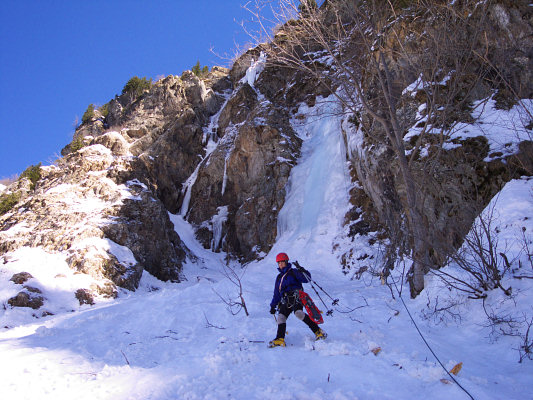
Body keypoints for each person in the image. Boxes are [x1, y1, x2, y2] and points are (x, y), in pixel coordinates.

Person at [268, 252, 327, 348]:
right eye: (279, 263)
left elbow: (307, 279)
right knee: (281, 317)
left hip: (297, 296)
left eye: (282, 262)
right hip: (286, 299)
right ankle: (280, 339)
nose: (280, 265)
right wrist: (272, 305)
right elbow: (276, 293)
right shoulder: (279, 278)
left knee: (299, 313)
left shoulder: (294, 272)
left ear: (286, 262)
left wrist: (302, 270)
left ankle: (318, 331)